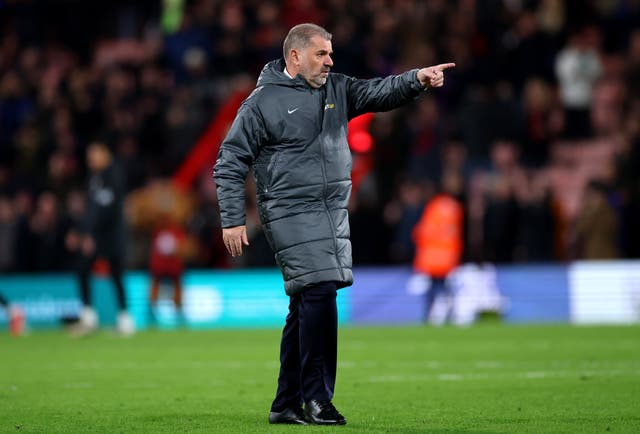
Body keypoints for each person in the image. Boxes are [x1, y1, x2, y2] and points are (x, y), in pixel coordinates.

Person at [213, 23, 454, 426]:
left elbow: (379, 92)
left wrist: (417, 79)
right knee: (321, 291)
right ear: (294, 56)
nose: (330, 61)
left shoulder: (337, 89)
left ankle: (284, 403)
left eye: (330, 53)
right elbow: (230, 160)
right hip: (289, 210)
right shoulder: (261, 103)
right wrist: (233, 219)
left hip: (331, 210)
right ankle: (317, 398)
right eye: (321, 54)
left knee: (305, 302)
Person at [65, 140, 135, 336]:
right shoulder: (93, 177)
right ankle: (89, 316)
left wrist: (89, 234)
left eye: (94, 154)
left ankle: (124, 319)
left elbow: (107, 210)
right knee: (82, 269)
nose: (91, 159)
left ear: (105, 153)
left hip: (112, 235)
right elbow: (91, 209)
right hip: (96, 235)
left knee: (116, 274)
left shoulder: (114, 173)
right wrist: (79, 231)